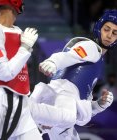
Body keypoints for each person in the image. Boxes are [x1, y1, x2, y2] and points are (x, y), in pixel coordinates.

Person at [30, 9, 116, 140]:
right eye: (107, 29)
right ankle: (26, 109)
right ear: (99, 28)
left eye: (115, 33)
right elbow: (67, 56)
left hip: (61, 103)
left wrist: (98, 105)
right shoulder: (90, 47)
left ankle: (31, 118)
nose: (109, 35)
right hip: (61, 99)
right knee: (68, 118)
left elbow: (80, 109)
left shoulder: (98, 60)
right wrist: (53, 62)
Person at [0, 0, 43, 139]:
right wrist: (25, 49)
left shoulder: (18, 32)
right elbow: (3, 73)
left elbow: (19, 71)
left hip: (21, 101)